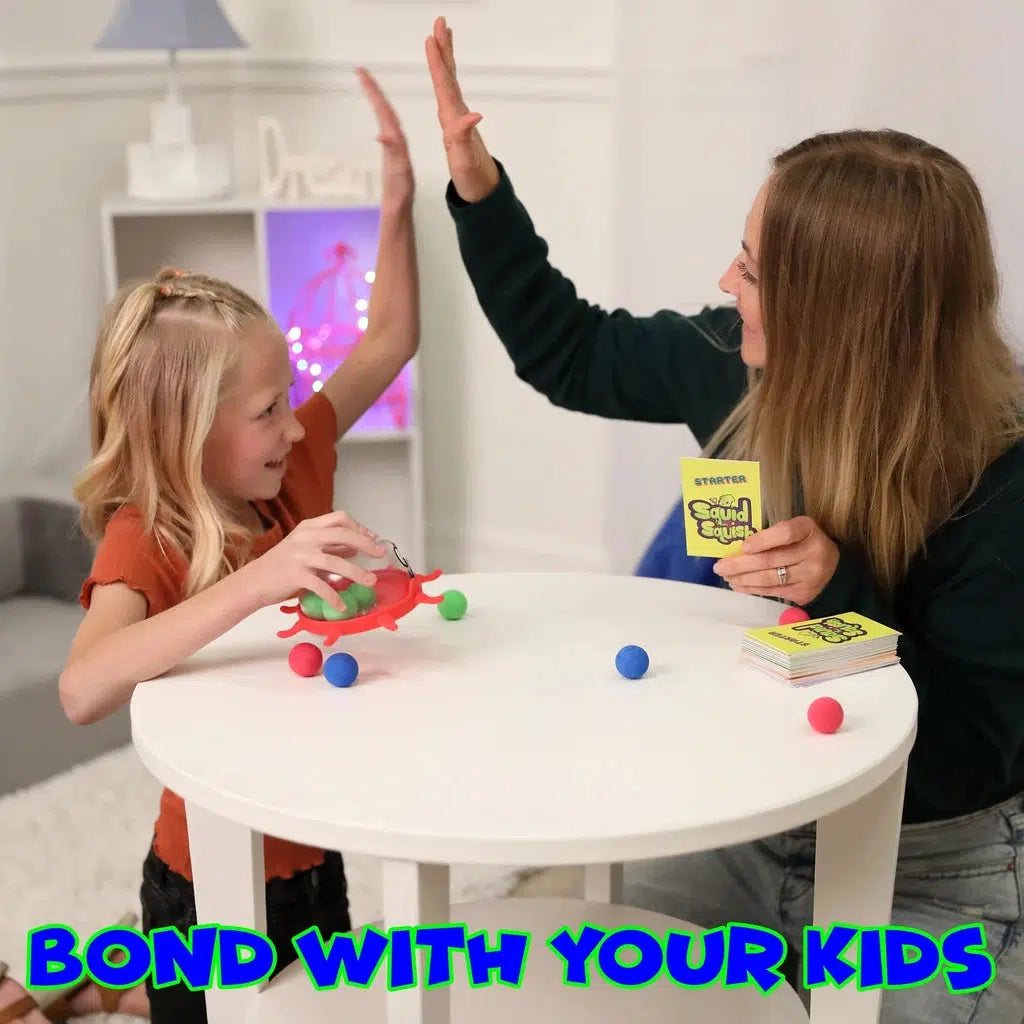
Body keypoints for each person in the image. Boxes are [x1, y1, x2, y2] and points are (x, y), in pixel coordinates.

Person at [425, 16, 1024, 1022]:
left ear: (838, 316)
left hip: (929, 857)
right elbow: (567, 351)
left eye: (752, 271)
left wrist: (839, 590)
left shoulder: (1000, 476)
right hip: (751, 819)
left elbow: (963, 751)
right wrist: (479, 189)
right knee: (579, 997)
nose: (723, 285)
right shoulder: (732, 360)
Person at [10, 68, 417, 1024]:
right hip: (203, 893)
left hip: (314, 859)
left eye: (290, 399)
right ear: (189, 433)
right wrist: (260, 580)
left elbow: (388, 340)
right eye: (266, 409)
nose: (294, 424)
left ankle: (96, 992)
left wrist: (396, 200)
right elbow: (81, 690)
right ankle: (101, 993)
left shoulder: (294, 465)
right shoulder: (144, 540)